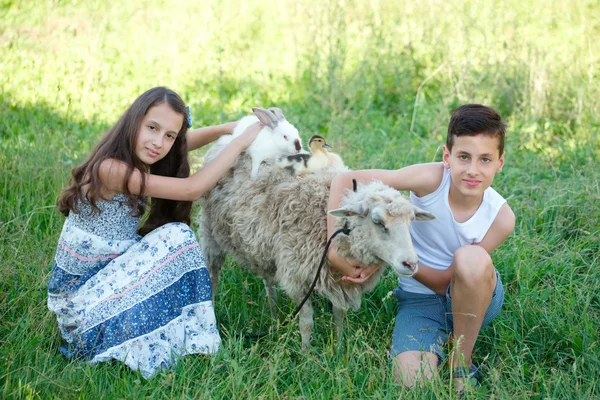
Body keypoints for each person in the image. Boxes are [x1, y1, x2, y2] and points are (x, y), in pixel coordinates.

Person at [48, 86, 262, 379]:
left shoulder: (134, 155)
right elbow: (192, 189)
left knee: (174, 238)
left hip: (105, 277)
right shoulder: (111, 169)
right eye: (152, 128)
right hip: (79, 305)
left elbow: (182, 143)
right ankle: (168, 336)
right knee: (179, 238)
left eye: (169, 135)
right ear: (134, 120)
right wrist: (237, 143)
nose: (158, 142)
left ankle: (174, 330)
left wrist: (229, 128)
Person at [326, 104, 514, 391]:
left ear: (500, 163)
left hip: (476, 298)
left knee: (471, 258)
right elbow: (344, 179)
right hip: (418, 300)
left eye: (485, 159)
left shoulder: (501, 217)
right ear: (447, 156)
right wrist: (333, 250)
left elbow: (443, 283)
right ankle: (436, 337)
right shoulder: (431, 179)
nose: (473, 170)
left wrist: (394, 258)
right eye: (464, 157)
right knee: (412, 384)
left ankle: (460, 361)